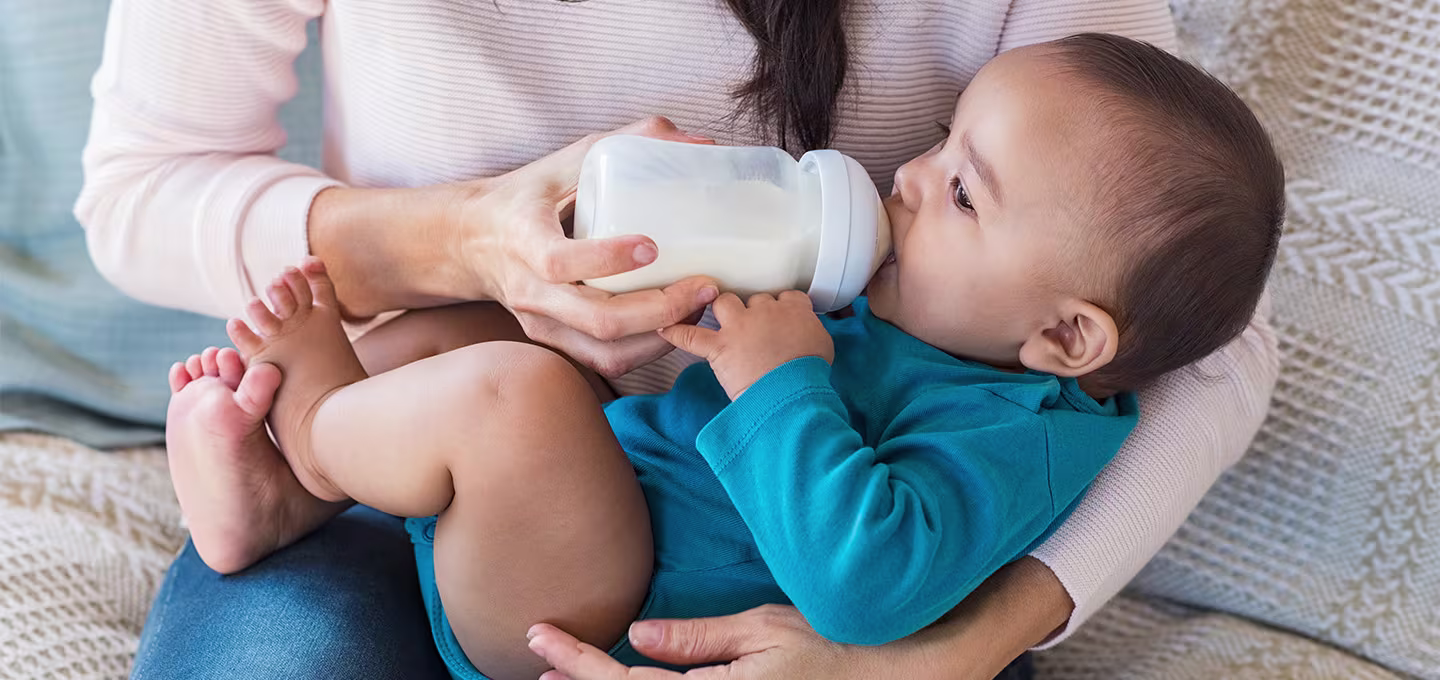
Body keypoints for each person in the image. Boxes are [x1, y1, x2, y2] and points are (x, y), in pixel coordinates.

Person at [76, 1, 1279, 678]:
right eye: (940, 146)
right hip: (518, 500)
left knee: (510, 398)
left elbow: (1200, 338)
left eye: (959, 185)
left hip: (685, 604)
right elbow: (140, 187)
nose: (904, 178)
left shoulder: (991, 374)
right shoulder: (922, 321)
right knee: (472, 338)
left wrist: (946, 655)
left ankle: (314, 439)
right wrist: (464, 237)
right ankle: (299, 479)